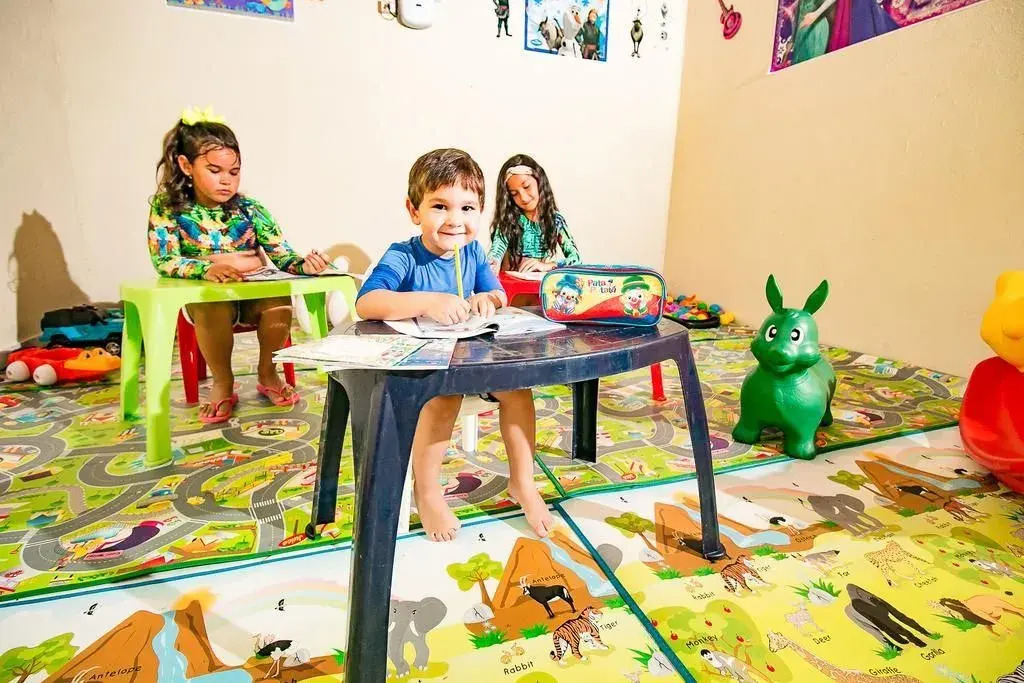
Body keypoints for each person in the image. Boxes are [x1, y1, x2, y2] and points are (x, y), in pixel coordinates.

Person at [355, 148, 554, 541]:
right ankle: (427, 492)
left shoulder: (473, 253)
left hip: (470, 362)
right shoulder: (403, 255)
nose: (455, 220)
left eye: (467, 208)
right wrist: (428, 302)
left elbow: (498, 294)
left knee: (518, 390)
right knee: (444, 399)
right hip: (422, 372)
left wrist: (488, 299)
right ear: (414, 210)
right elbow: (367, 302)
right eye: (440, 206)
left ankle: (522, 482)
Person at [147, 106, 330, 423]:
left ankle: (267, 372)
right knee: (212, 304)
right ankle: (223, 381)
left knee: (279, 300)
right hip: (207, 301)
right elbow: (165, 259)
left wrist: (306, 265)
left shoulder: (250, 208)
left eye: (234, 172)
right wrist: (206, 269)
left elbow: (282, 254)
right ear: (186, 166)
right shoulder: (169, 208)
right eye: (214, 170)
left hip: (252, 295)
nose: (226, 180)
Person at [487, 154, 581, 274]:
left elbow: (576, 259)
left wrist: (548, 265)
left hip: (537, 283)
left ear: (539, 181)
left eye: (527, 187)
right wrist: (492, 264)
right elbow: (495, 253)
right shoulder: (509, 220)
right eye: (514, 193)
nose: (523, 198)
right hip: (510, 283)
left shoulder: (555, 220)